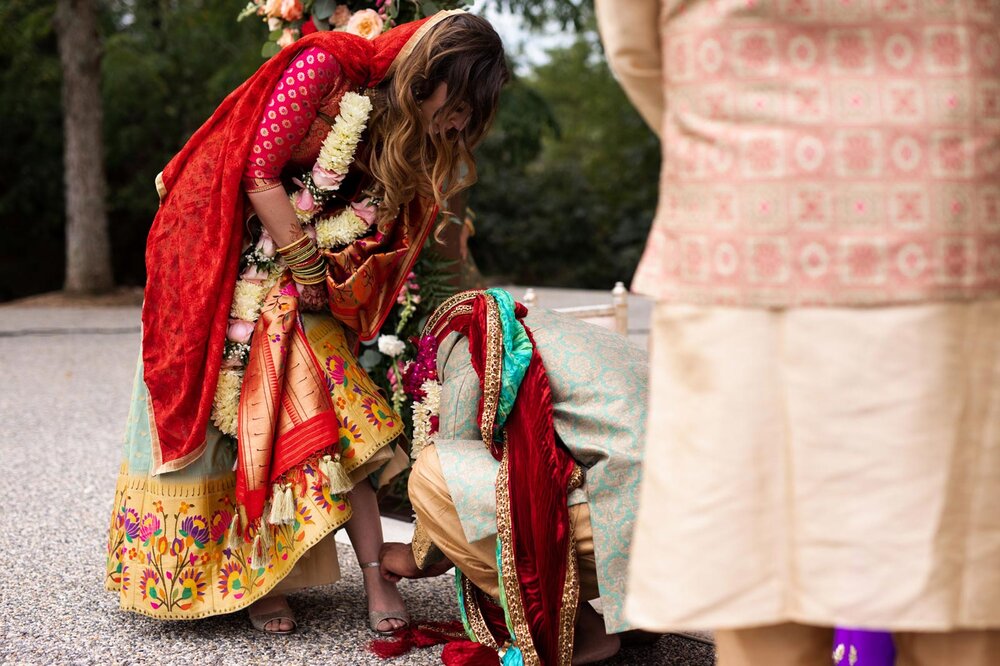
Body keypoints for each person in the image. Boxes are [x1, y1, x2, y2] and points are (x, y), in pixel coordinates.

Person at [595, 1, 1000, 663]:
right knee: (961, 593)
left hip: (746, 207)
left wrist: (756, 146)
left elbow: (634, 48)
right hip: (947, 201)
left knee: (763, 598)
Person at [104, 10, 507, 635]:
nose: (459, 125)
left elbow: (380, 224)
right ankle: (253, 580)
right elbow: (257, 172)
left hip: (309, 280)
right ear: (433, 73)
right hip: (225, 257)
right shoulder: (326, 66)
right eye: (463, 105)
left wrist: (339, 275)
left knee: (342, 415)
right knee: (232, 412)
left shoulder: (401, 127)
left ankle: (373, 576)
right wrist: (301, 262)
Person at [378, 289, 649, 665]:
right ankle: (641, 615)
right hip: (692, 519)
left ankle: (579, 627)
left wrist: (414, 557)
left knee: (432, 472)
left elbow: (454, 458)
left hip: (634, 523)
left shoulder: (468, 335)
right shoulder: (560, 330)